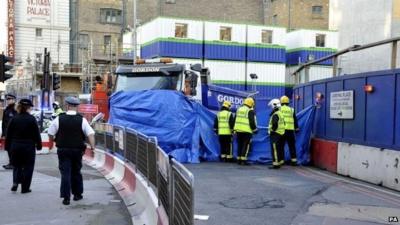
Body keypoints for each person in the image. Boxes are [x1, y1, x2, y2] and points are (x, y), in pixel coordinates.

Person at [48, 96, 95, 205]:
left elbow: (50, 133)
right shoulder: (82, 120)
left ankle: (66, 197)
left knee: (65, 173)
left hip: (63, 150)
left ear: (67, 105)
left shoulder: (59, 118)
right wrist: (92, 148)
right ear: (76, 107)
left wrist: (54, 141)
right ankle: (77, 194)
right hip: (77, 150)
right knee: (76, 171)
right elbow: (91, 134)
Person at [5, 99, 42, 193]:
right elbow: (36, 134)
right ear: (28, 108)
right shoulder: (31, 119)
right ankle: (25, 188)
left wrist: (7, 146)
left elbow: (8, 134)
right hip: (28, 147)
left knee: (16, 165)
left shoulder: (14, 118)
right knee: (28, 167)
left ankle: (15, 182)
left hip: (15, 145)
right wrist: (39, 145)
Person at [234, 97, 257, 165]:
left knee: (240, 145)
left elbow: (235, 119)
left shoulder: (239, 109)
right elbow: (252, 122)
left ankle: (239, 160)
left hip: (238, 131)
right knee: (245, 145)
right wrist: (255, 130)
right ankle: (243, 160)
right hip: (247, 131)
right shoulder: (249, 111)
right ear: (251, 104)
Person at [280, 95, 299, 166]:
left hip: (281, 131)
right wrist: (296, 128)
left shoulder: (279, 109)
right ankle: (294, 161)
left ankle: (281, 161)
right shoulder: (291, 109)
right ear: (288, 102)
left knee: (281, 146)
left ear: (281, 102)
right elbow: (295, 120)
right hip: (290, 131)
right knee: (292, 146)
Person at [268, 99, 285, 169]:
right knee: (279, 149)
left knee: (275, 149)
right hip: (281, 133)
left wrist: (272, 130)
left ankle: (275, 164)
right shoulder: (280, 113)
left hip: (275, 134)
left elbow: (274, 124)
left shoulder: (275, 114)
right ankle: (280, 162)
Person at [2, 94, 17, 169]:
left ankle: (14, 163)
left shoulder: (16, 109)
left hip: (14, 134)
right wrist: (3, 134)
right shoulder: (6, 110)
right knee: (8, 148)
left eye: (10, 99)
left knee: (13, 149)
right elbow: (4, 123)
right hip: (7, 133)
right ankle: (11, 163)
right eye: (7, 99)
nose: (8, 100)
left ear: (14, 100)